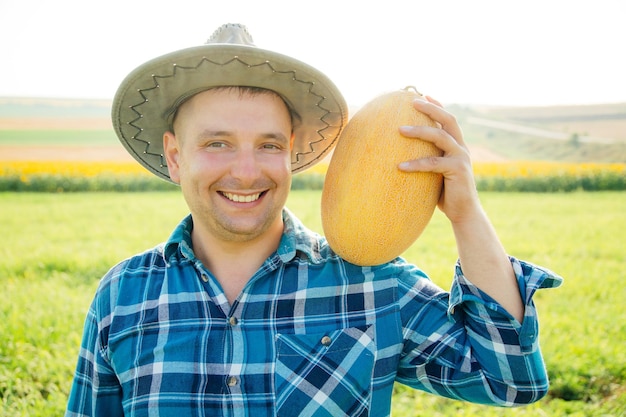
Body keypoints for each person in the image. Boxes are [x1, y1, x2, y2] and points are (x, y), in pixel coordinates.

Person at [66, 23, 562, 417]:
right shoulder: (122, 297)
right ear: (175, 157)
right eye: (217, 143)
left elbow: (511, 382)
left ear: (293, 154)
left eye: (269, 145)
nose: (246, 170)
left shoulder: (371, 280)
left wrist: (466, 213)